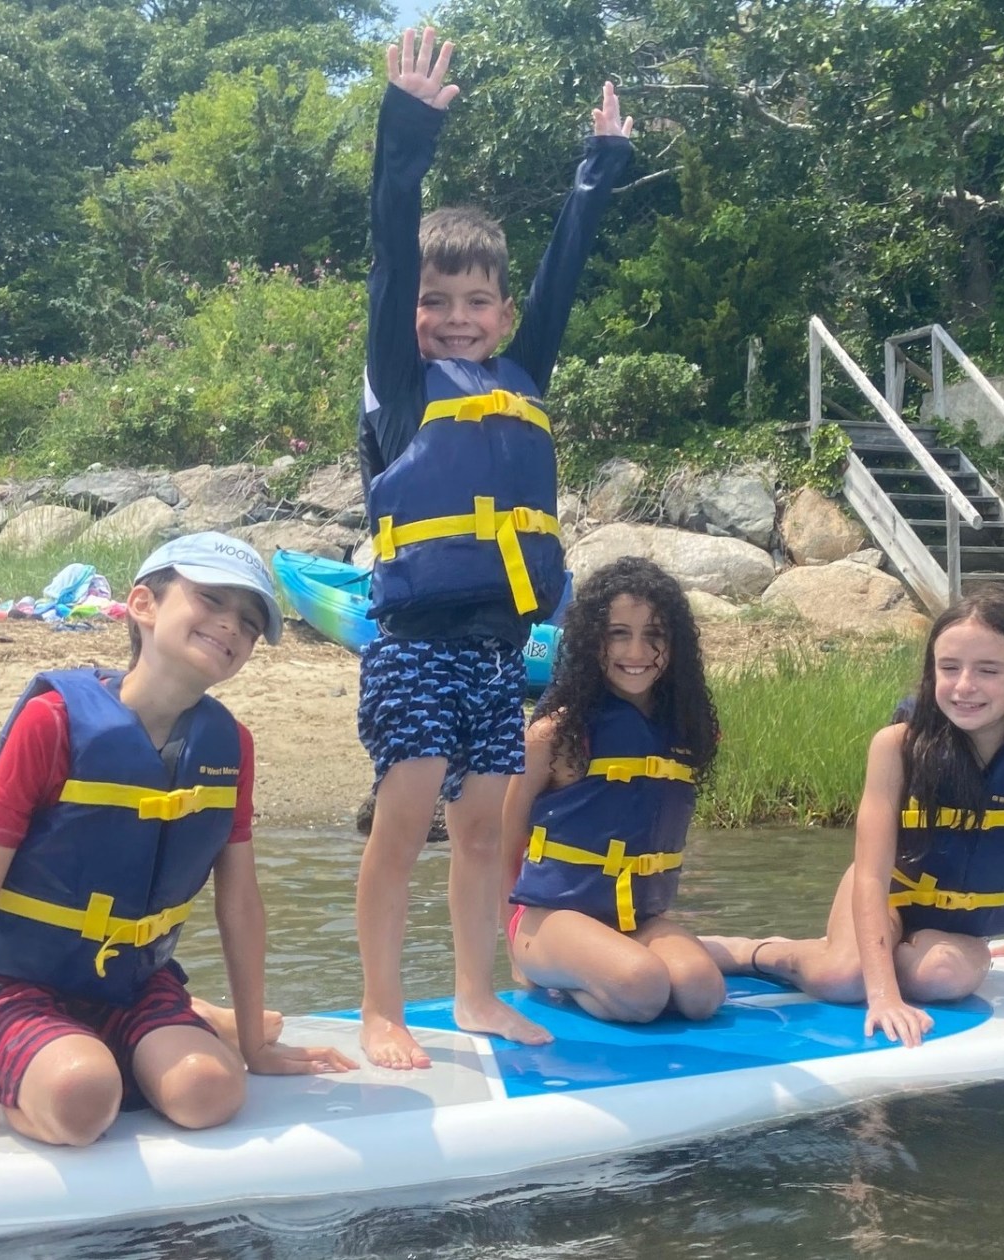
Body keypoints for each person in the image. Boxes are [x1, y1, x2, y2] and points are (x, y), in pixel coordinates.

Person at [352, 27, 634, 1069]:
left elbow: (565, 273)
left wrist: (596, 172)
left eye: (478, 303)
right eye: (438, 303)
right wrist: (409, 127)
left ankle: (473, 995)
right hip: (418, 645)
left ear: (504, 314)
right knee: (403, 829)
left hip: (494, 656)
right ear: (409, 314)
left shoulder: (523, 372)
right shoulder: (401, 375)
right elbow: (389, 243)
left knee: (481, 836)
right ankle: (384, 1007)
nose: (458, 318)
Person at [0, 533, 355, 1146]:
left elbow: (240, 903)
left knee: (211, 1093)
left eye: (250, 623)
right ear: (143, 605)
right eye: (211, 600)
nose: (231, 626)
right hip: (17, 987)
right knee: (81, 1098)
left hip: (135, 983)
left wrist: (255, 1045)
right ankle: (98, 1045)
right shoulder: (54, 725)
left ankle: (194, 1022)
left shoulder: (231, 747)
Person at [703, 591, 1004, 1045]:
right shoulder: (896, 746)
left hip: (963, 927)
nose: (964, 685)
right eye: (948, 668)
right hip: (890, 894)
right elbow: (871, 876)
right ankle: (755, 951)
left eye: (988, 670)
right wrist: (883, 997)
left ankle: (877, 953)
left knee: (942, 978)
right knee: (843, 980)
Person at [502, 558, 724, 1023]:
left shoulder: (688, 733)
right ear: (591, 641)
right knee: (643, 989)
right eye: (619, 633)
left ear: (675, 643)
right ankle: (565, 977)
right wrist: (513, 948)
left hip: (633, 921)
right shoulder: (555, 736)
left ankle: (610, 969)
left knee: (702, 993)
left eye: (654, 635)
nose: (637, 651)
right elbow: (502, 847)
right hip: (548, 920)